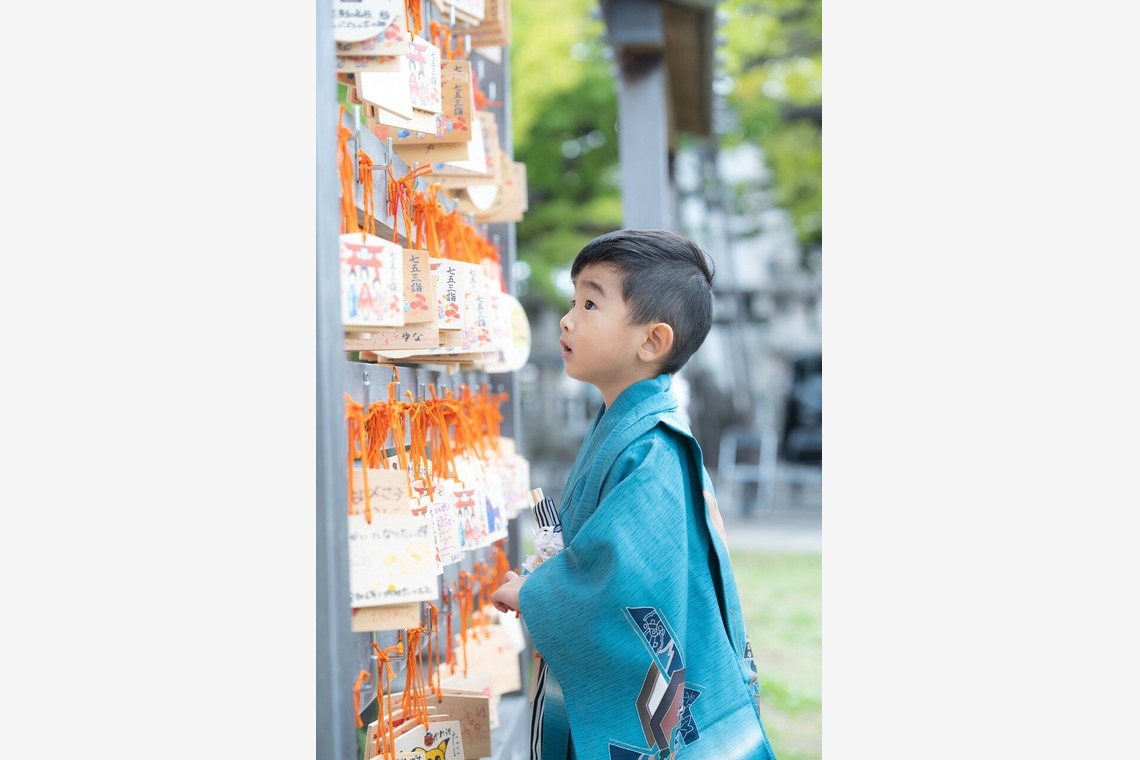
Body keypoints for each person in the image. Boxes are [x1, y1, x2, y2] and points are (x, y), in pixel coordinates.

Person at [491, 230, 778, 759]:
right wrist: (545, 583)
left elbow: (627, 584)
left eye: (591, 303)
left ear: (652, 341)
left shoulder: (653, 448)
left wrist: (536, 595)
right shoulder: (628, 429)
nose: (567, 318)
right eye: (574, 299)